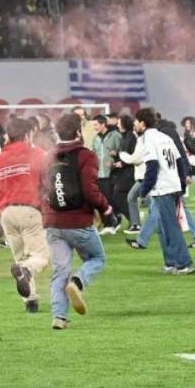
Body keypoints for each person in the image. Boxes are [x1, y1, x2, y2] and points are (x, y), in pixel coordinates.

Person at [42, 114, 114, 330]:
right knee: (97, 258)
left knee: (60, 270)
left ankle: (59, 317)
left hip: (53, 223)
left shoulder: (48, 155)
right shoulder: (86, 155)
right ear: (78, 131)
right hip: (78, 221)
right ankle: (78, 282)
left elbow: (42, 189)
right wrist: (106, 207)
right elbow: (90, 191)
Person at [0, 118, 49, 313]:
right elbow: (47, 184)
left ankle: (30, 302)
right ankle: (26, 272)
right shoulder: (37, 154)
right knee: (41, 256)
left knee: (20, 257)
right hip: (30, 211)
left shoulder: (0, 159)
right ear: (27, 134)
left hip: (6, 214)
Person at [136, 107, 195, 275]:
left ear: (142, 123)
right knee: (163, 228)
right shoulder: (165, 137)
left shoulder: (148, 140)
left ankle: (184, 263)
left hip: (163, 188)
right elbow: (179, 162)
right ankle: (170, 262)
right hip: (173, 185)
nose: (135, 125)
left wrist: (144, 189)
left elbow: (152, 167)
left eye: (136, 122)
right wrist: (182, 185)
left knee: (170, 227)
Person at [91, 114, 122, 232]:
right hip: (99, 174)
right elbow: (94, 153)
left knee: (111, 198)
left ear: (103, 124)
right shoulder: (95, 138)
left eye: (96, 125)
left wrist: (115, 161)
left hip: (113, 173)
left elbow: (122, 152)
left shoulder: (115, 136)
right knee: (103, 199)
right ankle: (110, 222)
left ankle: (114, 219)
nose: (94, 127)